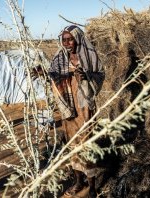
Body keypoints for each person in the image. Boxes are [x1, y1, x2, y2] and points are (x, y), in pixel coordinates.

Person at [48, 25, 104, 197]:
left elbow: (100, 75)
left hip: (84, 106)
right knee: (73, 145)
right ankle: (79, 182)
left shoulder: (89, 55)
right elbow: (53, 75)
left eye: (69, 39)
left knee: (87, 144)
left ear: (77, 38)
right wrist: (45, 74)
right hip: (68, 109)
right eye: (64, 40)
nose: (66, 43)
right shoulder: (60, 57)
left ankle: (92, 186)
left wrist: (86, 77)